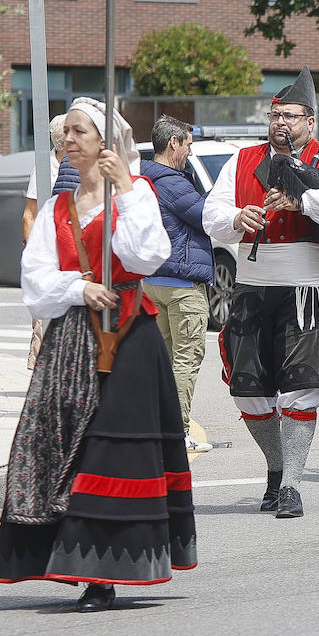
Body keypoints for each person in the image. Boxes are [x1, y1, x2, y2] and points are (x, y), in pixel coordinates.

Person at [0, 98, 195, 611]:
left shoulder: (137, 193)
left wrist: (124, 188)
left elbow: (147, 255)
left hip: (129, 336)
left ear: (106, 142)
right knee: (60, 446)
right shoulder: (57, 207)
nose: (70, 139)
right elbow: (35, 283)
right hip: (72, 341)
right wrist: (79, 289)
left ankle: (102, 570)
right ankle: (62, 555)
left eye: (81, 131)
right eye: (67, 132)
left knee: (111, 447)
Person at [202, 67, 319, 518]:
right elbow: (211, 212)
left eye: (291, 116)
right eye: (276, 115)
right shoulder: (242, 160)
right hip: (252, 287)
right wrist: (237, 218)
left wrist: (303, 200)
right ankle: (275, 468)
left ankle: (292, 485)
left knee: (299, 386)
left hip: (308, 289)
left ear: (309, 122)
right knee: (249, 390)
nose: (281, 123)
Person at [140, 116, 215, 453]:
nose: (188, 151)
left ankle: (157, 428)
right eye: (187, 144)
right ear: (173, 143)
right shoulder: (172, 181)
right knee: (185, 359)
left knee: (165, 359)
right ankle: (178, 431)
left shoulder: (143, 176)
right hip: (182, 284)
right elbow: (206, 216)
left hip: (153, 281)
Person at [24, 115, 70, 372]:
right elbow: (28, 215)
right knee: (42, 321)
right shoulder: (43, 168)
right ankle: (41, 373)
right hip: (47, 254)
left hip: (70, 256)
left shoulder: (81, 165)